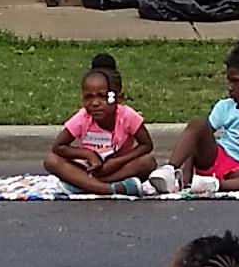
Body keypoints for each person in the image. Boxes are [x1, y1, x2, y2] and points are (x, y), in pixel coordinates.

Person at [150, 30, 239, 195]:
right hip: (215, 159)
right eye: (229, 80)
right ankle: (169, 170)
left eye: (236, 81)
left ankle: (215, 185)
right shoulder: (225, 107)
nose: (230, 87)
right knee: (198, 123)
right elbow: (197, 141)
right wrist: (186, 177)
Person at [45, 52, 157, 195]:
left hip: (118, 167)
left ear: (118, 98)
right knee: (51, 161)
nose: (95, 103)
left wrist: (117, 162)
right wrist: (88, 155)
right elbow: (58, 147)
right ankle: (109, 189)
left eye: (103, 97)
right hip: (90, 167)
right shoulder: (83, 117)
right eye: (88, 97)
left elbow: (146, 145)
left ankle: (84, 184)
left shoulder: (127, 116)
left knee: (147, 162)